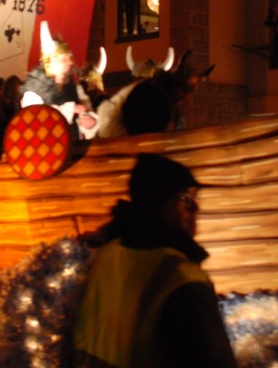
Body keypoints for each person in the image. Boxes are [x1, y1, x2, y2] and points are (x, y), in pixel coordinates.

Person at [73, 153, 237, 368]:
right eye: (187, 200)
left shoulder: (107, 256)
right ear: (160, 202)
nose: (196, 210)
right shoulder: (180, 277)